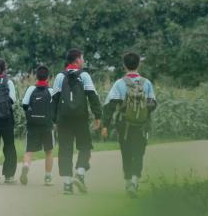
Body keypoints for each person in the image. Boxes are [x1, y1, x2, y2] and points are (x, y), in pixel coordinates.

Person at [101, 52, 157, 198]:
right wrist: (141, 111)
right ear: (139, 64)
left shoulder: (119, 83)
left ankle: (127, 183)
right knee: (139, 153)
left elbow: (109, 106)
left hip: (123, 125)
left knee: (126, 152)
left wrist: (105, 125)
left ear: (124, 65)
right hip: (142, 126)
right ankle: (134, 181)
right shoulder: (147, 83)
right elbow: (153, 104)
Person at [52, 49, 102, 195]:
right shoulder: (84, 75)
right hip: (81, 118)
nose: (83, 61)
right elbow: (93, 96)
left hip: (64, 119)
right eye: (82, 58)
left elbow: (54, 100)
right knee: (85, 146)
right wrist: (98, 116)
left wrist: (54, 120)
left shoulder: (60, 76)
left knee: (65, 150)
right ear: (77, 60)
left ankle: (67, 185)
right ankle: (80, 173)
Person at [20, 65, 55, 186]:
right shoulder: (51, 91)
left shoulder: (31, 89)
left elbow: (24, 105)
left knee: (29, 150)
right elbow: (54, 108)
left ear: (36, 76)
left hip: (32, 124)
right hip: (46, 125)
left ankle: (25, 167)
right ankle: (48, 177)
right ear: (48, 78)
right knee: (49, 151)